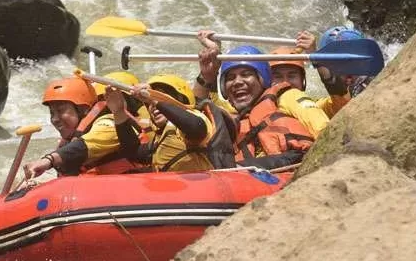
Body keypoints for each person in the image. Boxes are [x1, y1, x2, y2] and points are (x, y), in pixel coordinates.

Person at [193, 31, 315, 170]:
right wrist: (207, 75)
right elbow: (196, 111)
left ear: (263, 80)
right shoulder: (230, 117)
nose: (237, 82)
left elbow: (306, 153)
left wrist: (242, 167)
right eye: (231, 78)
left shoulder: (288, 103)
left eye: (246, 74)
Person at [22, 76, 142, 179]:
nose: (55, 119)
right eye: (52, 113)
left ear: (83, 110)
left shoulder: (110, 125)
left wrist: (47, 160)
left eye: (61, 110)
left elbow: (82, 147)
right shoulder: (70, 140)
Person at [110, 74, 235, 172]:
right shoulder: (161, 138)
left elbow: (196, 128)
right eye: (149, 104)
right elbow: (134, 152)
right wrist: (119, 112)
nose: (152, 107)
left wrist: (154, 100)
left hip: (204, 193)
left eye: (163, 97)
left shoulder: (195, 118)